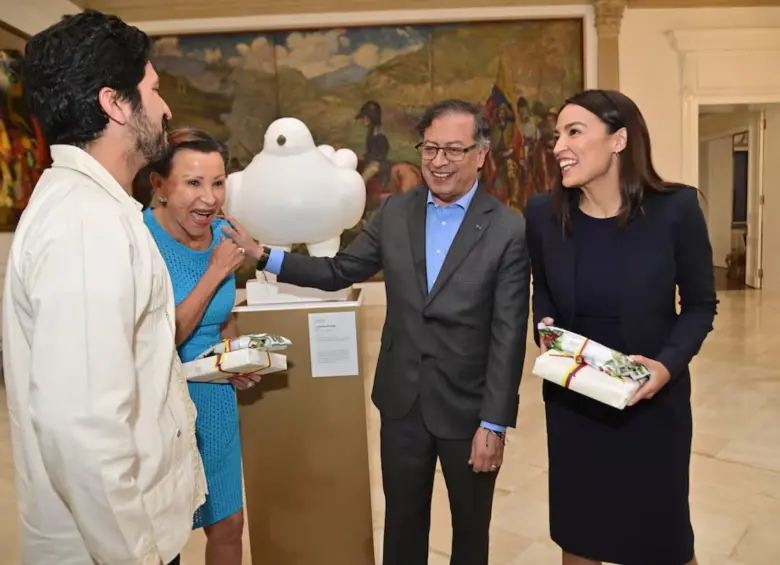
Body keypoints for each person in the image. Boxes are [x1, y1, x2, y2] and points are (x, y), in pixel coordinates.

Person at [223, 98, 531, 565]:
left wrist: (494, 422)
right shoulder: (396, 213)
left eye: (453, 149)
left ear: (481, 154)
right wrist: (265, 256)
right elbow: (339, 270)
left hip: (468, 409)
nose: (439, 161)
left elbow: (509, 334)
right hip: (401, 401)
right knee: (404, 525)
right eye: (430, 148)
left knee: (471, 529)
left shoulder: (508, 229)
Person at [2, 9, 208, 565]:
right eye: (153, 89)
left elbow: (113, 369)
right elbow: (83, 430)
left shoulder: (95, 211)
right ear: (116, 103)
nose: (165, 108)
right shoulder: (85, 226)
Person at [524, 89, 718, 565]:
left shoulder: (676, 209)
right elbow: (543, 292)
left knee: (662, 542)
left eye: (574, 132)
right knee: (581, 539)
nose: (558, 147)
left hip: (652, 409)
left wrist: (666, 368)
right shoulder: (542, 215)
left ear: (619, 140)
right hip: (575, 405)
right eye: (556, 135)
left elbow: (699, 305)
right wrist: (545, 331)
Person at [139, 127, 263, 565]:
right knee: (161, 536)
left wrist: (234, 360)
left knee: (229, 525)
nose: (209, 198)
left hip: (214, 399)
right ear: (160, 186)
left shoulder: (223, 232)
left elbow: (223, 317)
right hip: (161, 405)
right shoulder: (140, 241)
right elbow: (159, 339)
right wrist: (214, 271)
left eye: (217, 182)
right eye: (193, 183)